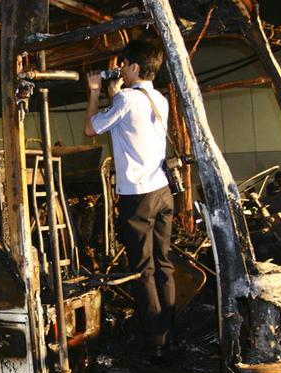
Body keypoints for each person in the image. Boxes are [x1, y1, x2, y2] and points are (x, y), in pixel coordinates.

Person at [84, 40, 175, 356]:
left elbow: (90, 129)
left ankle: (155, 340)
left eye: (123, 64)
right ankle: (169, 327)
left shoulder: (125, 99)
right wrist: (115, 93)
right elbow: (127, 125)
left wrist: (95, 91)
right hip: (163, 191)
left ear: (135, 67)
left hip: (139, 197)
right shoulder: (158, 99)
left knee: (144, 268)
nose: (119, 69)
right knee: (164, 263)